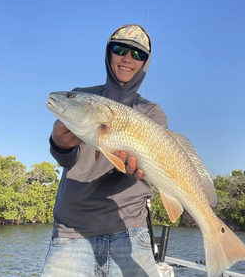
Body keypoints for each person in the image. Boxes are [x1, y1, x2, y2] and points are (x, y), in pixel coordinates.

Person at [41, 24, 168, 277]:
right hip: (72, 228)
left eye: (138, 54)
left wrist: (134, 170)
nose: (128, 58)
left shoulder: (153, 112)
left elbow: (145, 171)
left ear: (145, 63)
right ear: (109, 52)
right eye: (121, 49)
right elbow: (66, 159)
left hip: (130, 229)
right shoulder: (81, 96)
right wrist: (59, 143)